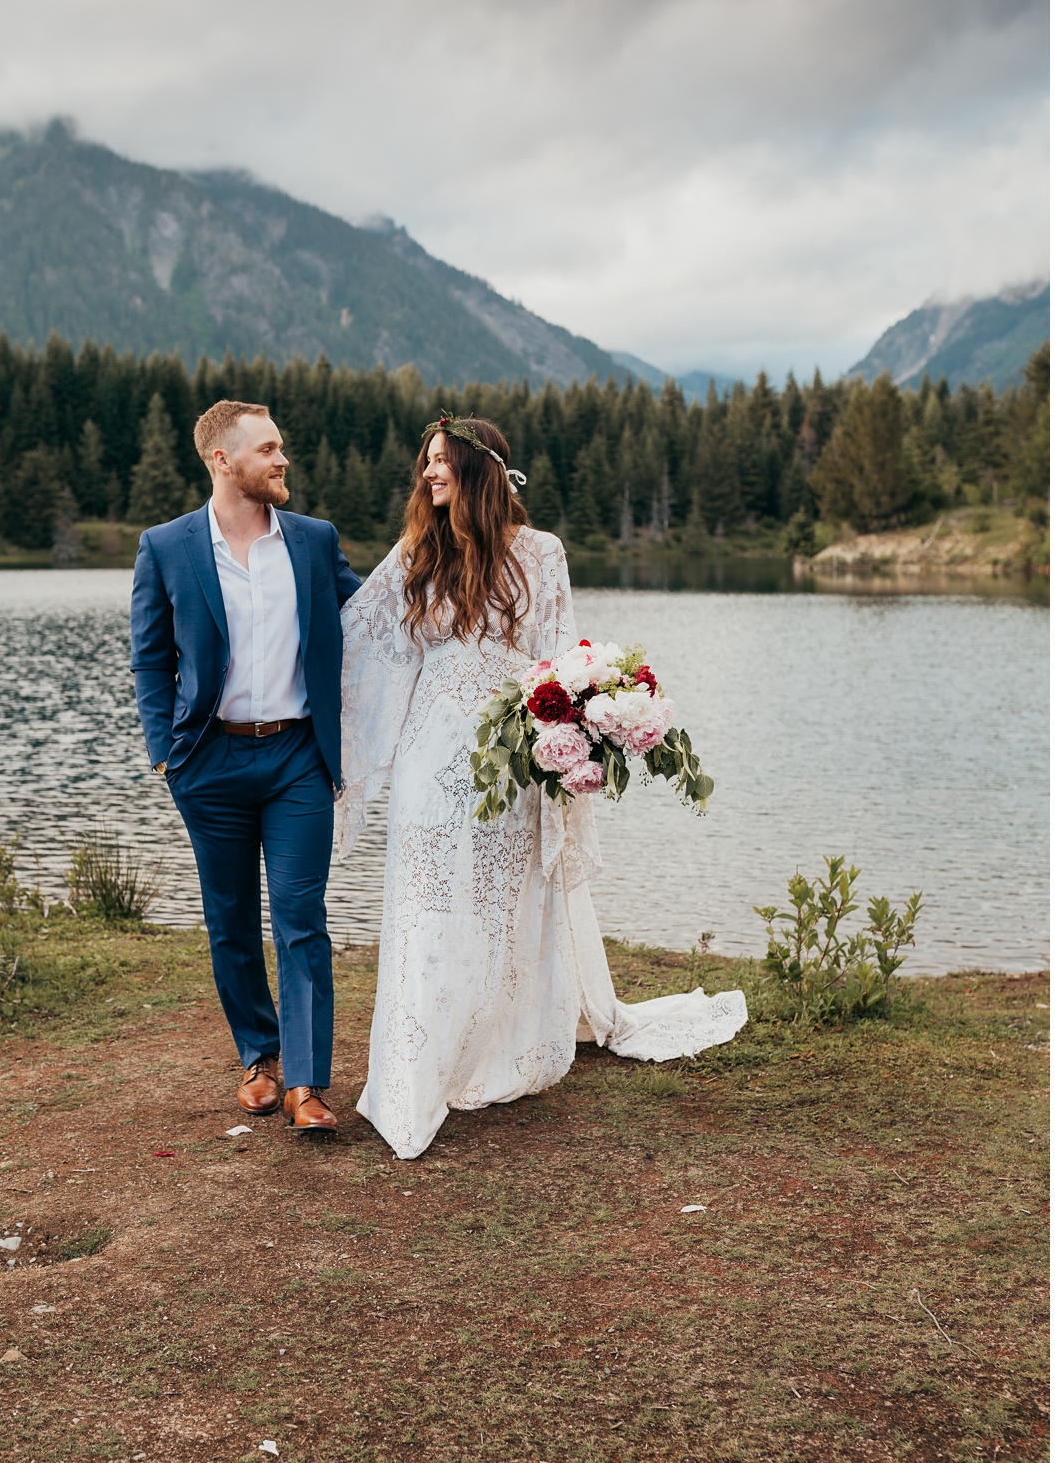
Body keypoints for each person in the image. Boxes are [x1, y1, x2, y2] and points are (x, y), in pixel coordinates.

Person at [336, 413, 746, 1160]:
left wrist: (582, 722)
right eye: (425, 461)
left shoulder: (540, 553)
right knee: (427, 896)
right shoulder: (416, 552)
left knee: (505, 899)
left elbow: (559, 655)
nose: (428, 473)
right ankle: (418, 1060)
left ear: (478, 470)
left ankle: (497, 1045)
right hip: (429, 752)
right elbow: (361, 638)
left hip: (510, 753)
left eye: (441, 461)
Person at [130, 400, 361, 1137]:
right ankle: (258, 1057)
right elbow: (150, 658)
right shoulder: (165, 546)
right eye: (267, 448)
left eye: (280, 446)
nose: (281, 458)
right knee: (229, 919)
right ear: (222, 460)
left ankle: (306, 1083)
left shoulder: (315, 540)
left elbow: (376, 621)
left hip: (298, 758)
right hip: (209, 760)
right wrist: (167, 753)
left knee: (300, 917)